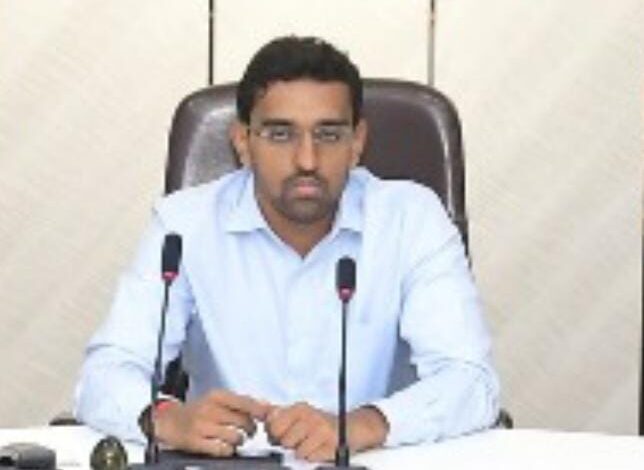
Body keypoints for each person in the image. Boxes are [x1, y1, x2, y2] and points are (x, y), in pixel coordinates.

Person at [75, 36, 499, 463]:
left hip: (369, 459)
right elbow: (106, 372)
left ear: (357, 142)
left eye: (329, 134)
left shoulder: (412, 220)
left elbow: (470, 382)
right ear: (243, 141)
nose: (307, 160)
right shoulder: (184, 225)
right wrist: (168, 419)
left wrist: (362, 425)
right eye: (281, 134)